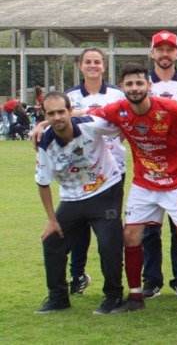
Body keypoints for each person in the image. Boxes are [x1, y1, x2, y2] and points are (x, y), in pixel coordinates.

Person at [88, 63, 177, 315]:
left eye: (139, 83)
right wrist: (43, 124)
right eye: (129, 84)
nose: (135, 88)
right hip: (144, 183)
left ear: (149, 86)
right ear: (122, 87)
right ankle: (136, 297)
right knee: (131, 236)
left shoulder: (172, 109)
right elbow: (86, 114)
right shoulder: (118, 110)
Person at [34, 91, 125, 315]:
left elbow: (122, 124)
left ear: (70, 111)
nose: (57, 117)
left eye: (61, 111)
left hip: (105, 189)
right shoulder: (45, 143)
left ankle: (113, 296)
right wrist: (52, 221)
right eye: (51, 113)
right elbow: (43, 183)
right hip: (72, 197)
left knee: (108, 243)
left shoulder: (91, 125)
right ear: (45, 116)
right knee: (52, 241)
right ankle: (58, 298)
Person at [141, 31, 177, 300]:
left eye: (170, 49)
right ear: (152, 53)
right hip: (148, 167)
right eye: (160, 49)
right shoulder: (140, 84)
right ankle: (151, 279)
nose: (165, 54)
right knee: (149, 228)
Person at [65, 48, 126, 297]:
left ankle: (114, 281)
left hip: (113, 170)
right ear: (81, 66)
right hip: (79, 171)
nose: (93, 65)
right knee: (79, 228)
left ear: (104, 66)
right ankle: (77, 275)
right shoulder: (69, 96)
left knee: (110, 228)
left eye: (97, 62)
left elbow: (122, 125)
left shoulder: (116, 94)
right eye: (88, 62)